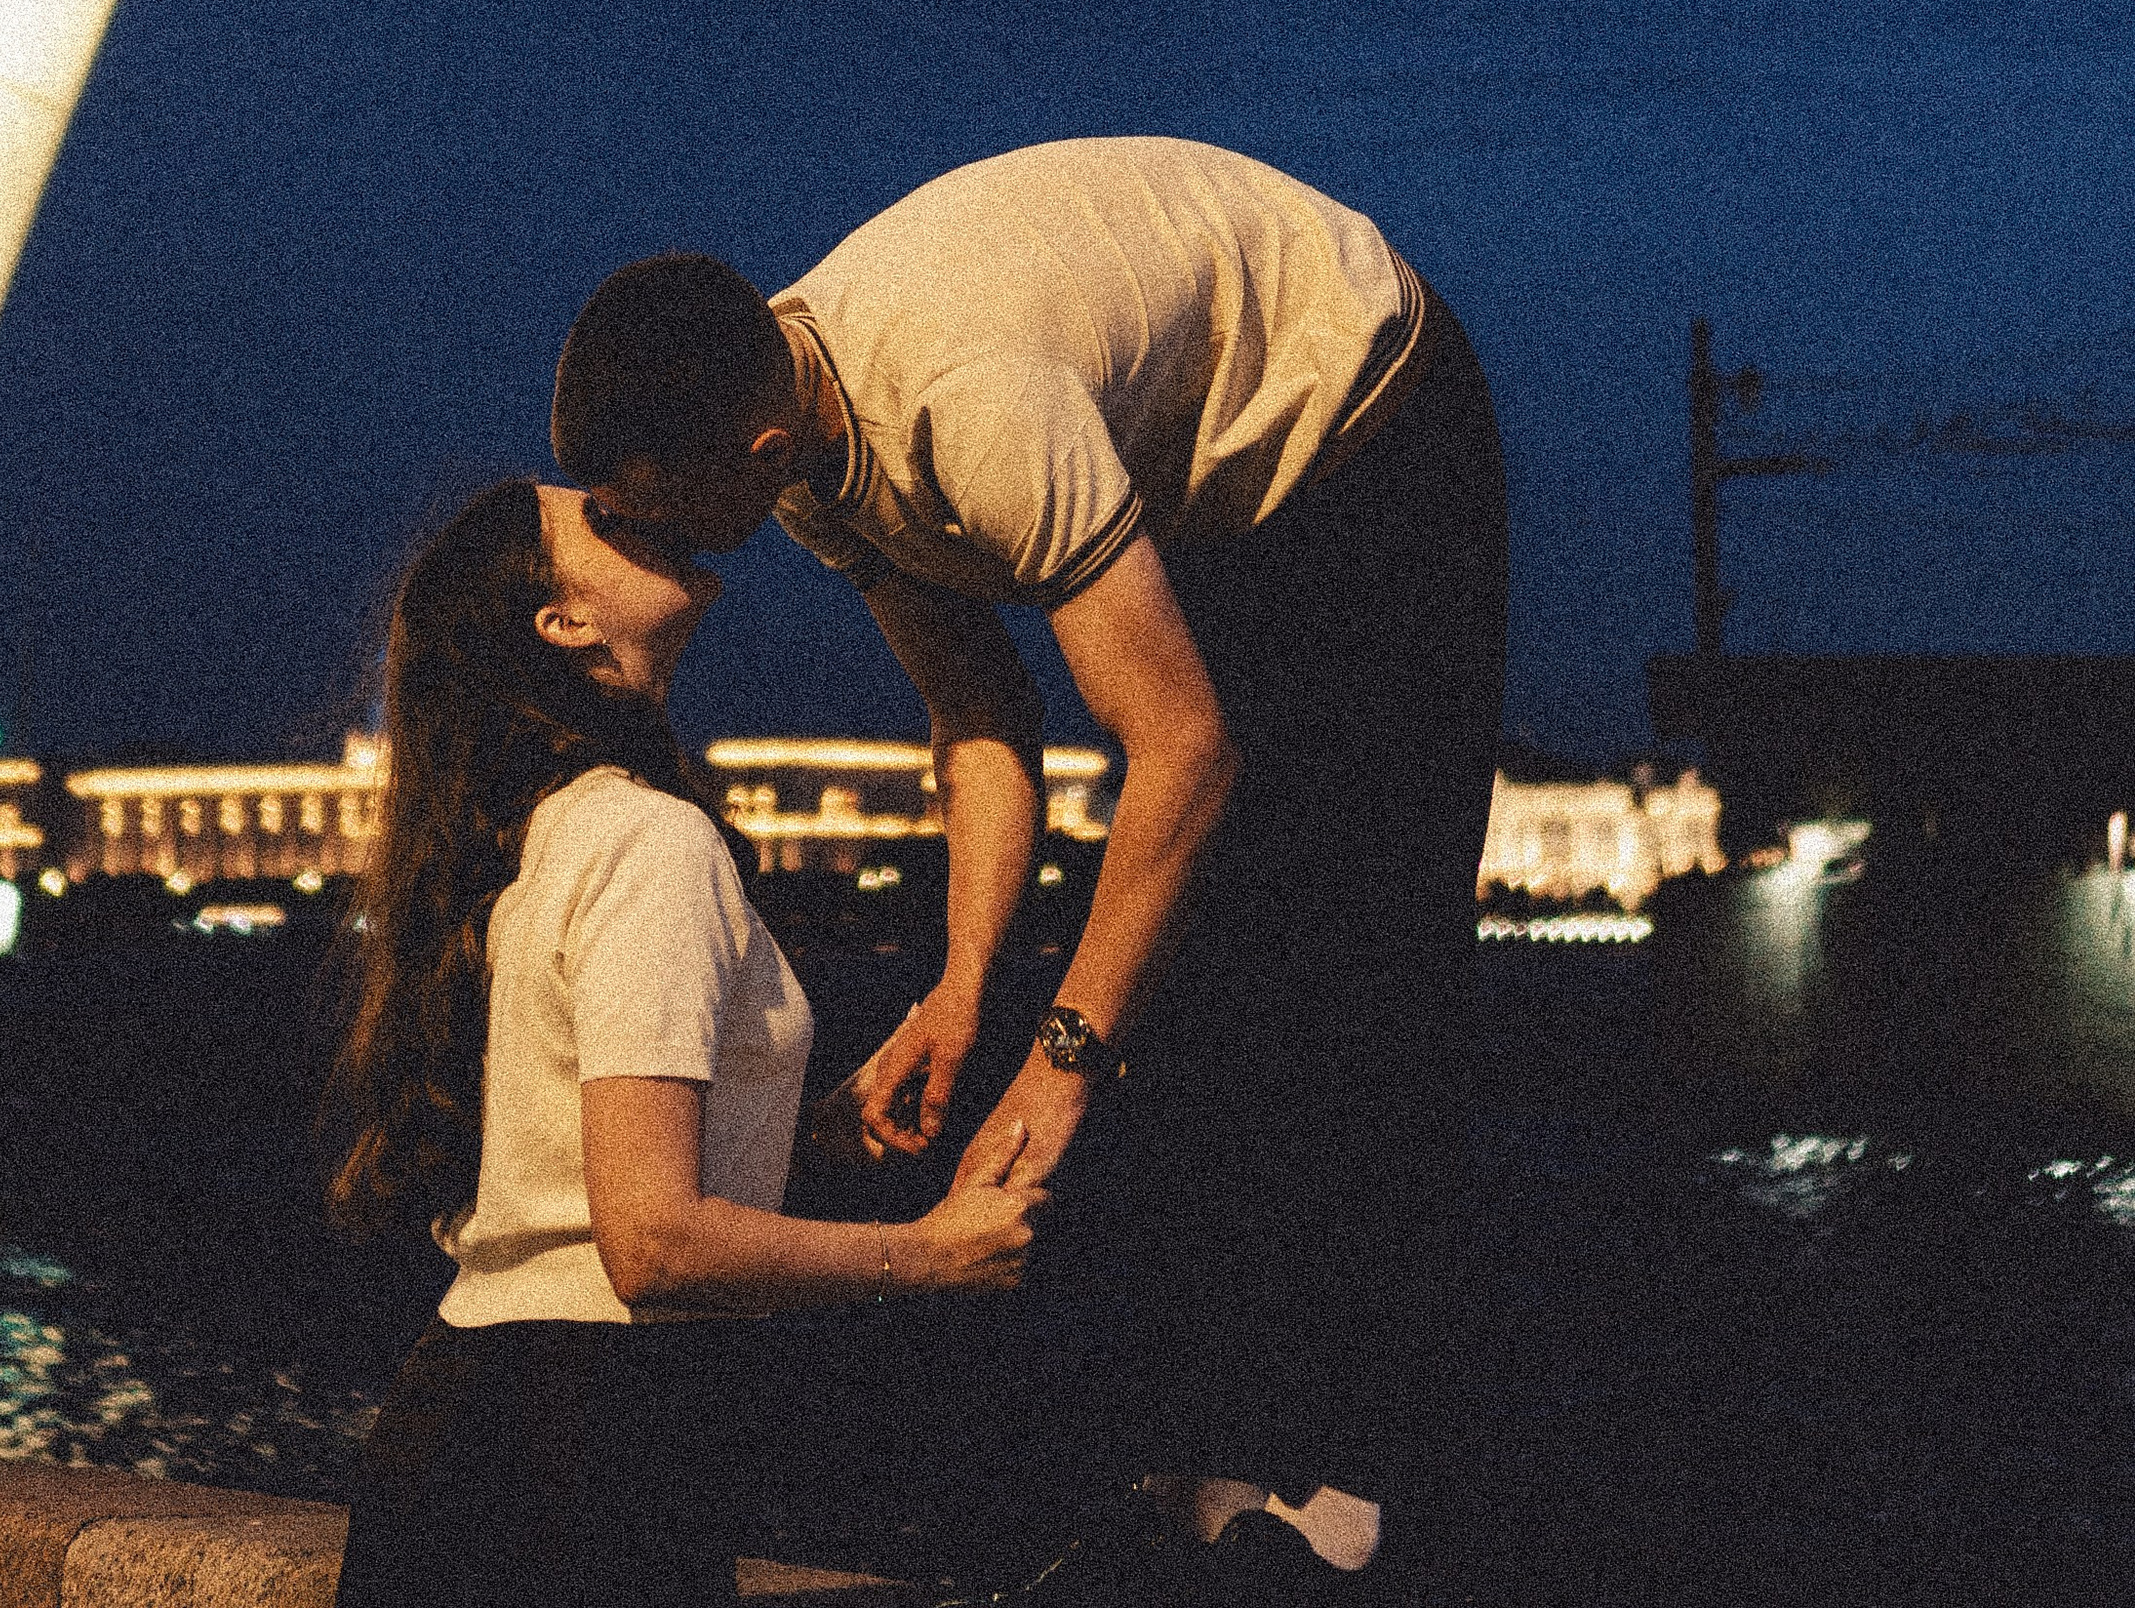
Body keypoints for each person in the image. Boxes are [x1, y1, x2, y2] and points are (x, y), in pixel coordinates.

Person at [549, 138, 1510, 1592]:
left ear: (747, 458)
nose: (656, 550)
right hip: (1222, 482)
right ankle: (1200, 1463)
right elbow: (980, 717)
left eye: (661, 519)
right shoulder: (802, 450)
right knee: (1174, 958)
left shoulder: (969, 403)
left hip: (1373, 418)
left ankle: (1353, 1480)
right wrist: (962, 987)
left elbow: (1180, 746)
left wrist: (1060, 1057)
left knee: (1345, 956)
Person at [328, 474, 1048, 1608]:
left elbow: (576, 1177)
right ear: (561, 620)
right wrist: (932, 1250)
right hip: (583, 1446)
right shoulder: (645, 842)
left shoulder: (554, 834)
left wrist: (808, 1136)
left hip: (495, 1416)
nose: (639, 503)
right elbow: (651, 1244)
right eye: (602, 521)